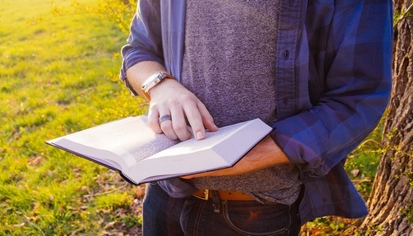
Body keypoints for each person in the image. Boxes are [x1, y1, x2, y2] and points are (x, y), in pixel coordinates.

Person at [120, 1, 393, 235]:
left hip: (256, 211)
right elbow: (139, 49)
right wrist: (161, 86)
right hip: (166, 192)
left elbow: (359, 97)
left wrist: (244, 157)